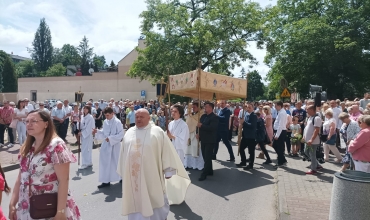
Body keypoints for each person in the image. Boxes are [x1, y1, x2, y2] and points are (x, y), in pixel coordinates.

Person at [117, 109, 190, 220]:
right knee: (135, 200)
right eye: (137, 117)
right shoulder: (129, 132)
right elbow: (123, 154)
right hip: (133, 176)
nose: (138, 119)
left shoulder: (157, 132)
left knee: (153, 197)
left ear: (148, 118)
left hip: (151, 175)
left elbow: (166, 152)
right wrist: (123, 171)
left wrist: (168, 170)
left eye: (142, 117)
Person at [8, 110, 81, 220]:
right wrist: (12, 204)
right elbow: (20, 178)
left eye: (34, 121)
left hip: (49, 207)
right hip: (26, 207)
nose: (29, 124)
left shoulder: (56, 145)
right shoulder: (28, 146)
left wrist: (60, 212)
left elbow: (63, 180)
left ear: (46, 124)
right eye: (27, 121)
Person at [93, 107, 124, 188]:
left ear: (112, 114)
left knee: (117, 162)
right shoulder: (106, 122)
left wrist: (111, 138)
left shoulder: (117, 122)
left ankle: (122, 177)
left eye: (108, 115)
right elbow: (104, 132)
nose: (106, 117)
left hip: (115, 145)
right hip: (106, 145)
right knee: (105, 163)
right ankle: (105, 181)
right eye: (105, 115)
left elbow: (121, 134)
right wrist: (97, 132)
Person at [198, 102, 219, 181]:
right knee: (205, 156)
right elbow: (199, 125)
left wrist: (202, 126)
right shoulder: (203, 116)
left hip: (210, 140)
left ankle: (204, 174)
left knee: (207, 157)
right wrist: (198, 133)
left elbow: (212, 128)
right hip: (203, 139)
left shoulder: (214, 117)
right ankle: (210, 170)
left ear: (210, 108)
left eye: (206, 107)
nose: (205, 108)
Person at [236, 103, 257, 170]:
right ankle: (243, 161)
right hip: (245, 135)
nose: (248, 109)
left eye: (249, 107)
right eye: (247, 107)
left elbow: (252, 126)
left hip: (251, 136)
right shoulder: (246, 114)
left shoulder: (253, 115)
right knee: (241, 148)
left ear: (253, 108)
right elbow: (244, 123)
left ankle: (250, 165)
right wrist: (241, 124)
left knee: (251, 151)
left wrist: (244, 123)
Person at [184, 102, 205, 170]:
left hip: (196, 133)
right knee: (189, 149)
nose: (193, 109)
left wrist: (199, 133)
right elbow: (188, 121)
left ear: (199, 107)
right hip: (189, 133)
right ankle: (189, 164)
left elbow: (200, 124)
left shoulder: (202, 114)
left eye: (194, 107)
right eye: (192, 107)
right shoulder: (192, 114)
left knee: (196, 148)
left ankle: (197, 164)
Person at [303, 105, 322, 175]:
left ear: (312, 110)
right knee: (306, 152)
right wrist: (304, 137)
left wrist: (311, 139)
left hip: (313, 141)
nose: (306, 110)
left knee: (312, 154)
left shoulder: (317, 118)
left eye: (307, 109)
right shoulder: (310, 117)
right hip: (307, 140)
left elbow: (316, 130)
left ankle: (313, 169)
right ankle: (317, 165)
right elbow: (306, 128)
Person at [78, 105, 95, 170]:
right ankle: (88, 162)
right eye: (84, 108)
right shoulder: (82, 117)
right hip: (83, 135)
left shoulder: (90, 117)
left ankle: (85, 163)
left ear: (88, 110)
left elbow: (90, 127)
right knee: (84, 149)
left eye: (86, 109)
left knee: (86, 149)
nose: (84, 110)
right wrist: (78, 122)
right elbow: (80, 126)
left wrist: (82, 133)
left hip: (87, 135)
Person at [273, 101, 288, 168]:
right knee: (276, 146)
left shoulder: (282, 113)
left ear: (279, 106)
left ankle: (281, 161)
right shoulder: (280, 112)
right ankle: (282, 159)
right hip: (279, 131)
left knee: (279, 147)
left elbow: (281, 125)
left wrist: (277, 135)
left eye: (276, 106)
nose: (275, 107)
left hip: (280, 132)